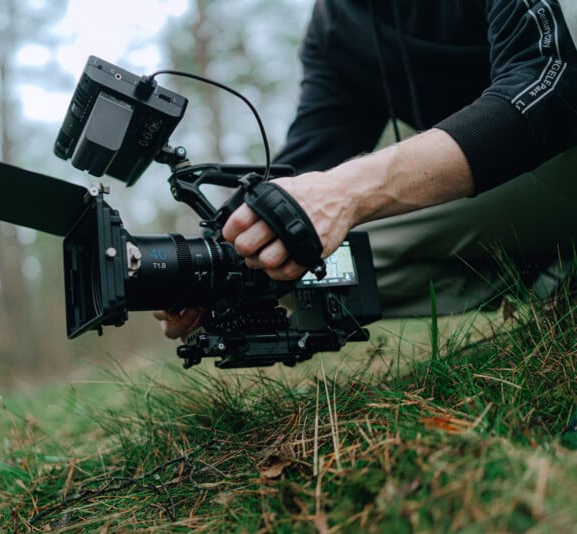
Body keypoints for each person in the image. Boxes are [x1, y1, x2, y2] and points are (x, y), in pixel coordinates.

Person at [155, 0, 577, 339]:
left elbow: (551, 81)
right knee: (283, 259)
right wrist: (205, 263)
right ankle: (559, 271)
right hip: (522, 192)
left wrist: (350, 189)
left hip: (563, 145)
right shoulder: (337, 25)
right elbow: (304, 162)